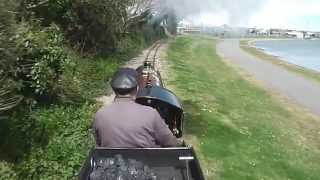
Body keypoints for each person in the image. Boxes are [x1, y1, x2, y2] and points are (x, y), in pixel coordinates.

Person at [93, 68, 179, 148]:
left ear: (114, 90)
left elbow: (99, 143)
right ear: (137, 88)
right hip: (146, 162)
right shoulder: (151, 114)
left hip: (112, 162)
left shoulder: (100, 114)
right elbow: (170, 143)